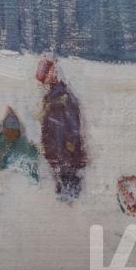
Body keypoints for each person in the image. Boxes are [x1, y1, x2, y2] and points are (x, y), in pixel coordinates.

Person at [36, 57, 87, 200]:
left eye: (47, 75)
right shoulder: (49, 99)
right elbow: (47, 128)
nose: (44, 82)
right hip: (57, 156)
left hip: (67, 156)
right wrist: (47, 149)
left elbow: (74, 128)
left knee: (69, 192)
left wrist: (69, 148)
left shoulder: (65, 98)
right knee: (63, 192)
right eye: (43, 79)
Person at [0, 106, 41, 184]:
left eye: (13, 131)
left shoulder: (24, 146)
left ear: (17, 131)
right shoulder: (1, 140)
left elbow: (33, 174)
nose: (10, 133)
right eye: (7, 131)